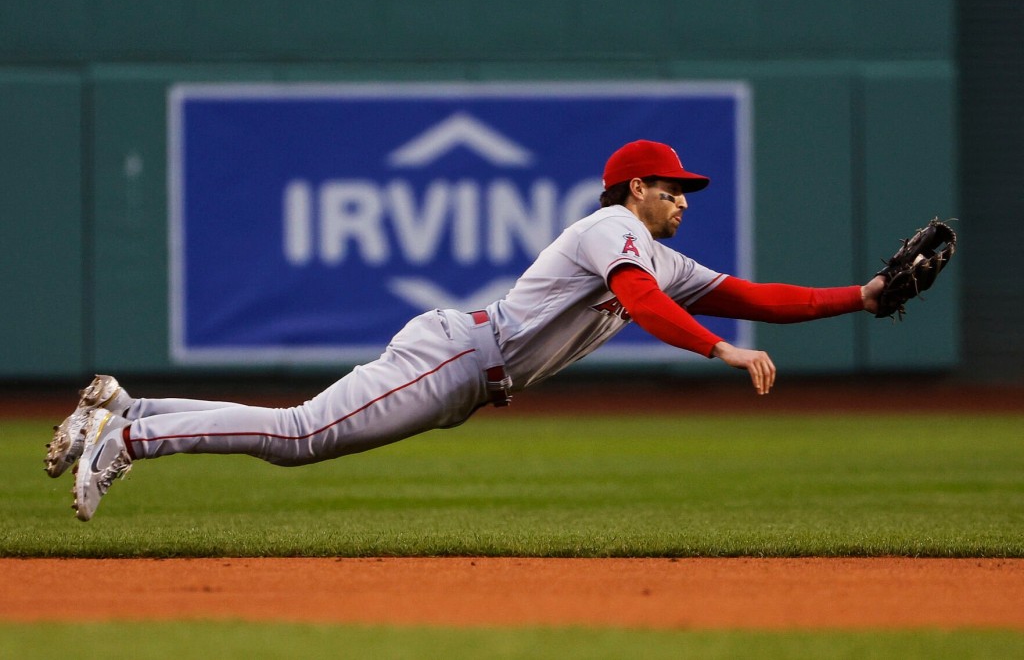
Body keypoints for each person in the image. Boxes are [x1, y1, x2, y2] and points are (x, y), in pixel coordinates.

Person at [46, 139, 885, 521]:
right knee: (299, 435)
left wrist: (865, 295)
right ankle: (133, 443)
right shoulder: (615, 235)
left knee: (301, 431)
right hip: (457, 355)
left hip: (467, 369)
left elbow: (761, 294)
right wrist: (721, 350)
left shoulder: (661, 258)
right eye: (671, 187)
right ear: (633, 189)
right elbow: (652, 303)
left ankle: (125, 407)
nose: (683, 199)